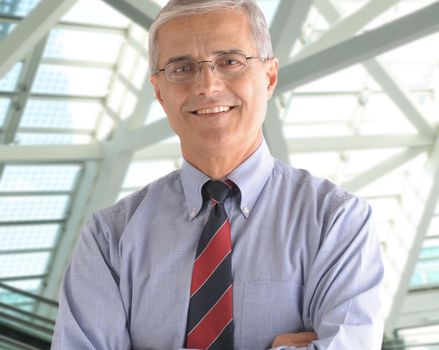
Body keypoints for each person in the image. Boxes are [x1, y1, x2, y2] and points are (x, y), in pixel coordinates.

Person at [51, 0, 384, 349]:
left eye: (230, 61)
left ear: (269, 77)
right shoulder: (109, 240)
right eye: (182, 68)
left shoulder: (336, 221)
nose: (207, 86)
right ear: (159, 92)